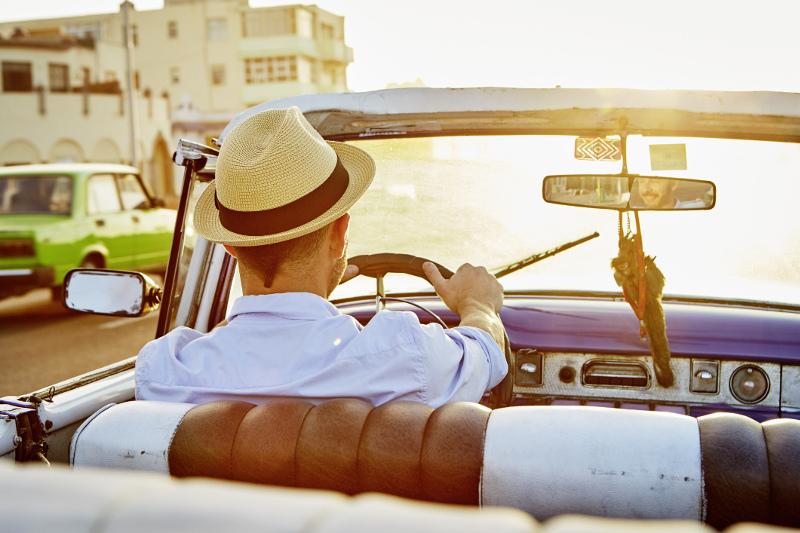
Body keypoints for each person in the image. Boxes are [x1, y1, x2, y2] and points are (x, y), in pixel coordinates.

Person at [135, 107, 508, 407]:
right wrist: (479, 305)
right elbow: (485, 353)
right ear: (339, 232)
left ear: (230, 246)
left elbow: (240, 346)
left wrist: (304, 287)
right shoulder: (402, 354)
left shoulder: (165, 371)